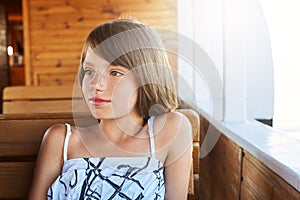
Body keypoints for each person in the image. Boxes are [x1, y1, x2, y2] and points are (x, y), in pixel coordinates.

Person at [29, 19, 192, 200]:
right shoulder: (61, 140)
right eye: (89, 71)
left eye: (115, 73)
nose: (96, 85)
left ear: (146, 77)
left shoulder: (170, 130)